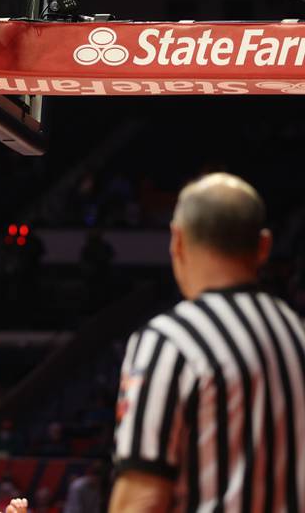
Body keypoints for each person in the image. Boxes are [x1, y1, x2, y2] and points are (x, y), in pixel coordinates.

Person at [110, 173, 305, 512]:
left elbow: (141, 498)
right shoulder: (296, 334)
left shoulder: (169, 341)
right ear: (264, 246)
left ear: (177, 241)